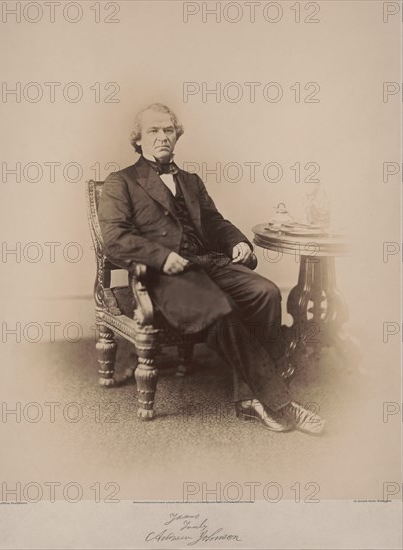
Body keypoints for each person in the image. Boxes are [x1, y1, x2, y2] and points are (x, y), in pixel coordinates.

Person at [98, 103, 325, 435]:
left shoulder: (190, 180)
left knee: (266, 292)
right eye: (153, 131)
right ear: (138, 139)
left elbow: (216, 223)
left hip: (209, 263)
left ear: (177, 136)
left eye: (168, 130)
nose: (162, 137)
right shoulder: (122, 182)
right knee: (222, 311)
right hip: (166, 276)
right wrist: (161, 257)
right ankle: (280, 404)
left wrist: (238, 241)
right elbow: (114, 240)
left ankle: (249, 399)